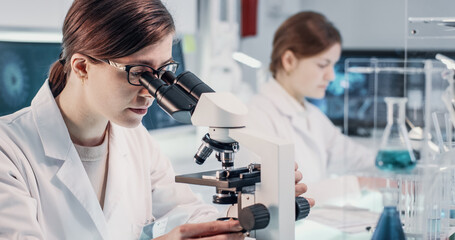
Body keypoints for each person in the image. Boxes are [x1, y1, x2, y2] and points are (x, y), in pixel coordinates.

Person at [0, 1, 312, 239]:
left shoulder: (135, 141)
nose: (151, 93)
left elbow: (185, 214)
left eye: (164, 71)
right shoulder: (9, 151)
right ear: (81, 66)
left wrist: (249, 208)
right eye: (139, 74)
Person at [246, 11, 376, 203]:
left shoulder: (311, 114)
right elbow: (275, 197)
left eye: (333, 65)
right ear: (289, 61)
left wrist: (399, 159)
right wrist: (357, 183)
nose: (331, 76)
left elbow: (353, 156)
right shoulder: (256, 117)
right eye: (323, 65)